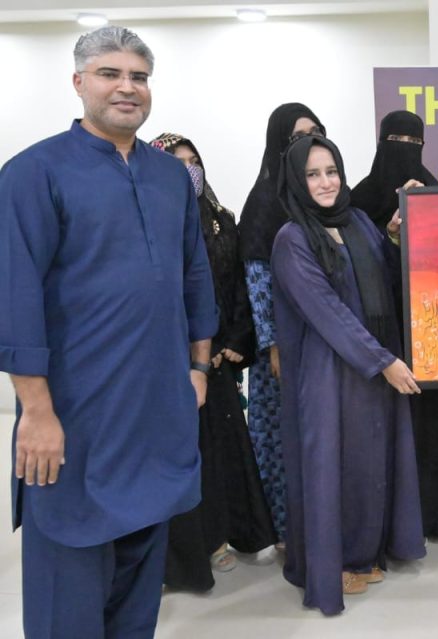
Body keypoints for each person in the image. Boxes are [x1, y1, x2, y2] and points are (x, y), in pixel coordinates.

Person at [0, 26, 218, 637]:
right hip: (75, 417)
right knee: (67, 594)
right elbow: (15, 297)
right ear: (78, 82)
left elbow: (194, 275)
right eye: (110, 74)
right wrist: (35, 412)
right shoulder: (33, 173)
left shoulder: (169, 177)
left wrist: (199, 367)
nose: (127, 87)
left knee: (138, 596)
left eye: (139, 77)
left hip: (155, 413)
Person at [271, 134, 426, 615]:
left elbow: (388, 277)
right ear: (297, 181)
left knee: (371, 461)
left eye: (332, 171)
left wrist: (395, 235)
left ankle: (364, 551)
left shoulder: (357, 220)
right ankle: (331, 562)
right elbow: (326, 310)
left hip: (374, 361)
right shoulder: (292, 238)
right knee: (333, 466)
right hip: (329, 371)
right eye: (313, 174)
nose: (325, 183)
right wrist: (384, 362)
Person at [149, 132, 276, 592]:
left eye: (194, 161)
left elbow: (238, 285)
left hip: (218, 360)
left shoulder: (223, 219)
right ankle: (182, 552)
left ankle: (222, 536)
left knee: (221, 452)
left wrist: (232, 340)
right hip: (171, 362)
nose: (189, 170)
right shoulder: (151, 224)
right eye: (177, 162)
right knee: (181, 456)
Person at [351, 110, 438, 538]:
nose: (406, 151)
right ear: (381, 142)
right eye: (397, 142)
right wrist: (390, 234)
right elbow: (356, 265)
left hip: (433, 327)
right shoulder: (360, 199)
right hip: (382, 329)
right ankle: (394, 518)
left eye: (414, 143)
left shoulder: (433, 191)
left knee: (436, 420)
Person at [237, 103, 326, 547]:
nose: (307, 142)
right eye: (297, 136)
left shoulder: (320, 196)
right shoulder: (264, 203)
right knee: (280, 439)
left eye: (315, 132)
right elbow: (257, 282)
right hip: (280, 349)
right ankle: (287, 532)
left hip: (322, 341)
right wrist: (273, 344)